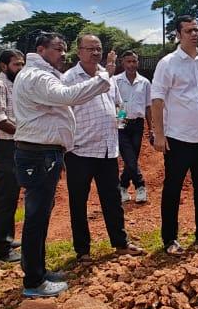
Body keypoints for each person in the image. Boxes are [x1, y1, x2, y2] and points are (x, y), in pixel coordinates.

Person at [12, 31, 113, 298]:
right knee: (36, 217)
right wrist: (103, 79)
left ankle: (38, 270)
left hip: (43, 153)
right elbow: (67, 96)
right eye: (58, 48)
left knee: (40, 214)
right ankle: (34, 281)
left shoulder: (39, 74)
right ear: (41, 50)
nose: (63, 54)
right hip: (39, 154)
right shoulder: (39, 76)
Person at [61, 35, 146, 262]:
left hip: (108, 149)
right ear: (79, 51)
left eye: (98, 49)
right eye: (90, 49)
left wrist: (119, 120)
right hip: (79, 151)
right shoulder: (68, 79)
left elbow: (118, 103)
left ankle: (120, 243)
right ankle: (83, 250)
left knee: (112, 199)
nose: (95, 53)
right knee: (78, 202)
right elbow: (63, 112)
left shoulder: (108, 77)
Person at [150, 15, 198, 255]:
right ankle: (170, 239)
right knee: (173, 189)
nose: (194, 34)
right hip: (178, 138)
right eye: (189, 31)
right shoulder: (168, 63)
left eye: (196, 30)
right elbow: (157, 100)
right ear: (178, 34)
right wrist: (159, 134)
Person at [0, 49, 25, 263]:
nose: (20, 68)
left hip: (14, 146)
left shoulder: (14, 85)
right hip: (3, 148)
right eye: (16, 64)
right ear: (3, 66)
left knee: (11, 196)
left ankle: (6, 239)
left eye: (22, 64)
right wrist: (23, 133)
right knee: (4, 198)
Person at [114, 50, 152, 204]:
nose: (131, 65)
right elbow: (113, 103)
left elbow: (148, 107)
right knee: (129, 157)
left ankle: (122, 186)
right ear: (122, 63)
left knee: (133, 158)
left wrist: (151, 128)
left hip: (138, 123)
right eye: (128, 61)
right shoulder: (115, 81)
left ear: (138, 63)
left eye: (134, 61)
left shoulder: (145, 82)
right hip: (121, 121)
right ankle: (140, 185)